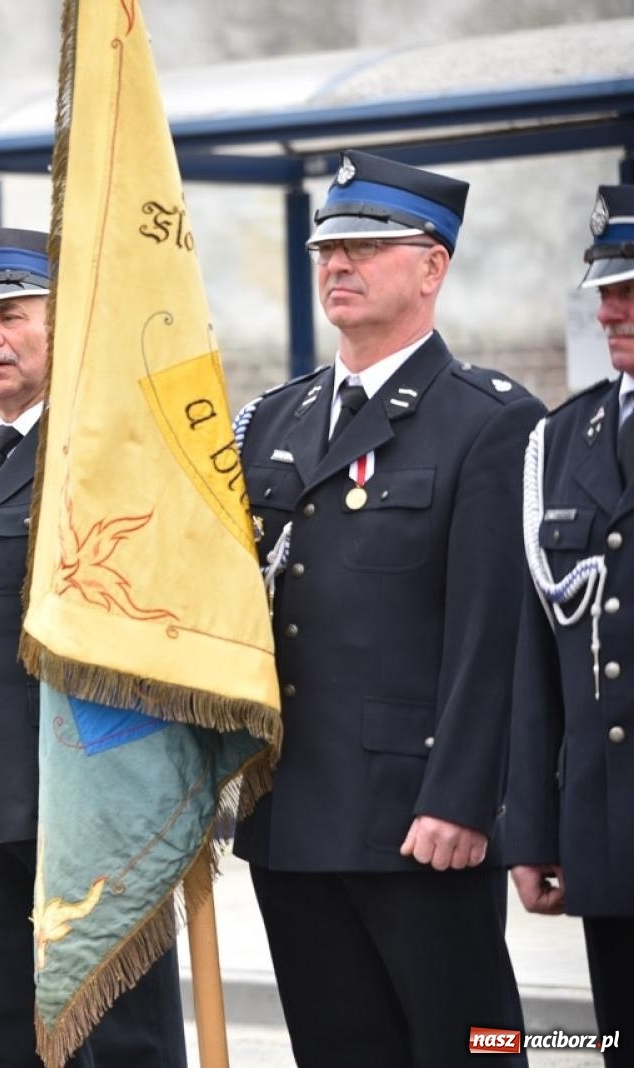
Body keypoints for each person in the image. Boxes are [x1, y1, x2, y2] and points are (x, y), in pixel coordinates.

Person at [234, 150, 542, 1066]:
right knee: (338, 1049)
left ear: (432, 267)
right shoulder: (275, 421)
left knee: (474, 1045)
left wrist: (463, 800)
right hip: (292, 814)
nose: (338, 263)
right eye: (328, 246)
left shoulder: (487, 420)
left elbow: (495, 636)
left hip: (417, 818)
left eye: (366, 246)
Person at [0, 225, 187, 1067]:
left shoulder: (106, 451)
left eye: (10, 315)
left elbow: (149, 630)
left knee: (117, 1034)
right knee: (19, 1028)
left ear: (61, 321)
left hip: (92, 799)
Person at [509, 183, 634, 1067]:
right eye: (606, 285)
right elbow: (538, 656)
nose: (610, 306)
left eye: (632, 287)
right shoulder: (565, 438)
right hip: (606, 835)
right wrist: (535, 829)